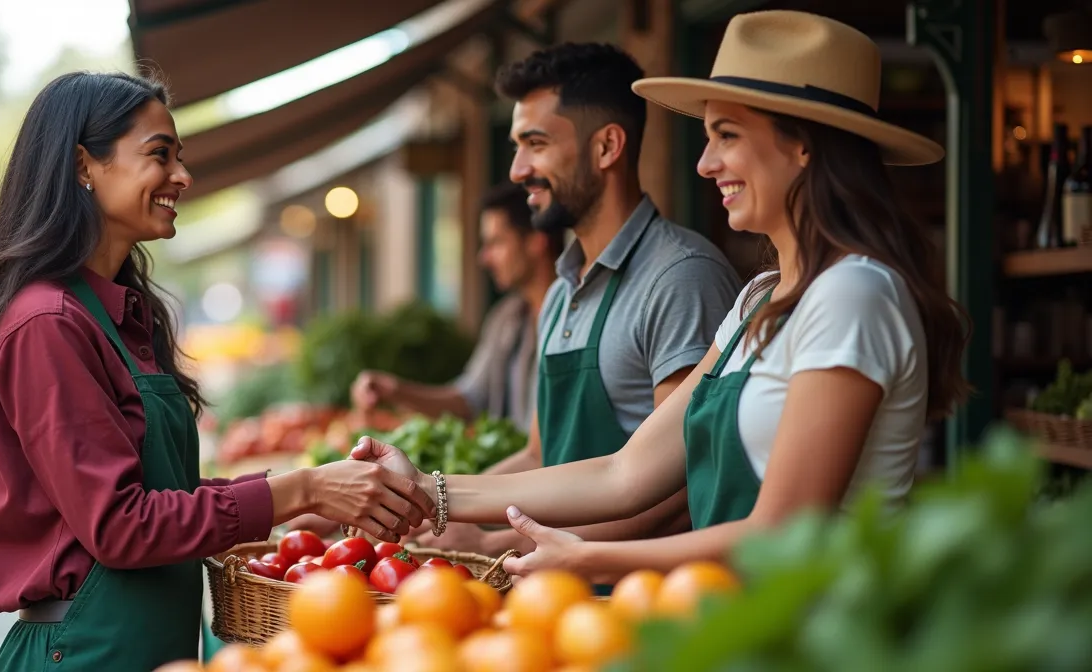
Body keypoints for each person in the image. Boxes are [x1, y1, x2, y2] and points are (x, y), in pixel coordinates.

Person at [351, 10, 970, 584]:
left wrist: (590, 558)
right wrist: (428, 492)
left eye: (725, 135)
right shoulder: (758, 299)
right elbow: (625, 472)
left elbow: (783, 532)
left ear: (803, 143)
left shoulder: (852, 294)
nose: (704, 164)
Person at [0, 72, 432, 672]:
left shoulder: (123, 313)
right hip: (84, 652)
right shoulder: (46, 323)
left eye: (180, 157)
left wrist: (303, 491)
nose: (182, 176)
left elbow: (160, 499)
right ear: (82, 166)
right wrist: (301, 489)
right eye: (159, 155)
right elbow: (122, 526)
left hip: (146, 645)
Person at [406, 42, 741, 573]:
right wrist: (437, 510)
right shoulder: (562, 290)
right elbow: (540, 456)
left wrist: (499, 545)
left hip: (640, 601)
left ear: (607, 147)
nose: (517, 170)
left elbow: (677, 487)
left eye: (535, 144)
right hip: (556, 590)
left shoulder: (680, 278)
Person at [351, 182, 562, 433]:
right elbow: (469, 399)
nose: (483, 257)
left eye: (496, 242)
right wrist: (395, 390)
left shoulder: (572, 316)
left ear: (536, 241)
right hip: (512, 471)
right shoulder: (506, 316)